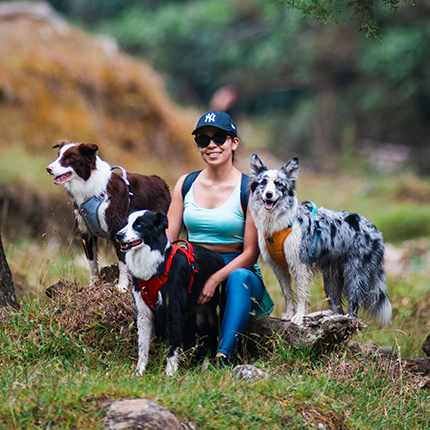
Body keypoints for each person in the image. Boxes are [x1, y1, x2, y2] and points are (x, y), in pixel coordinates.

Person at [166, 110, 274, 367]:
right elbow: (168, 241)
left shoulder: (250, 188)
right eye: (203, 140)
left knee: (238, 278)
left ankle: (223, 357)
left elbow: (250, 254)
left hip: (237, 269)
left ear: (234, 142)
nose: (211, 145)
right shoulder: (186, 183)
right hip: (195, 265)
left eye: (219, 138)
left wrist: (215, 279)